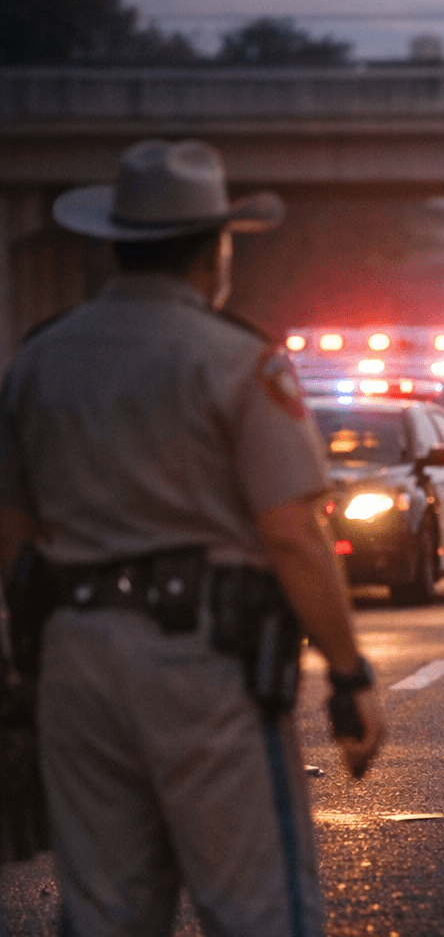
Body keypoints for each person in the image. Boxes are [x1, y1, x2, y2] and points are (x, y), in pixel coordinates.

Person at [0, 139, 385, 937]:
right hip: (206, 664)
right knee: (258, 908)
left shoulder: (38, 360)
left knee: (103, 911)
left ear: (114, 245)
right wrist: (348, 676)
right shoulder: (236, 360)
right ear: (216, 250)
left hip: (71, 660)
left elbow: (12, 531)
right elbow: (292, 534)